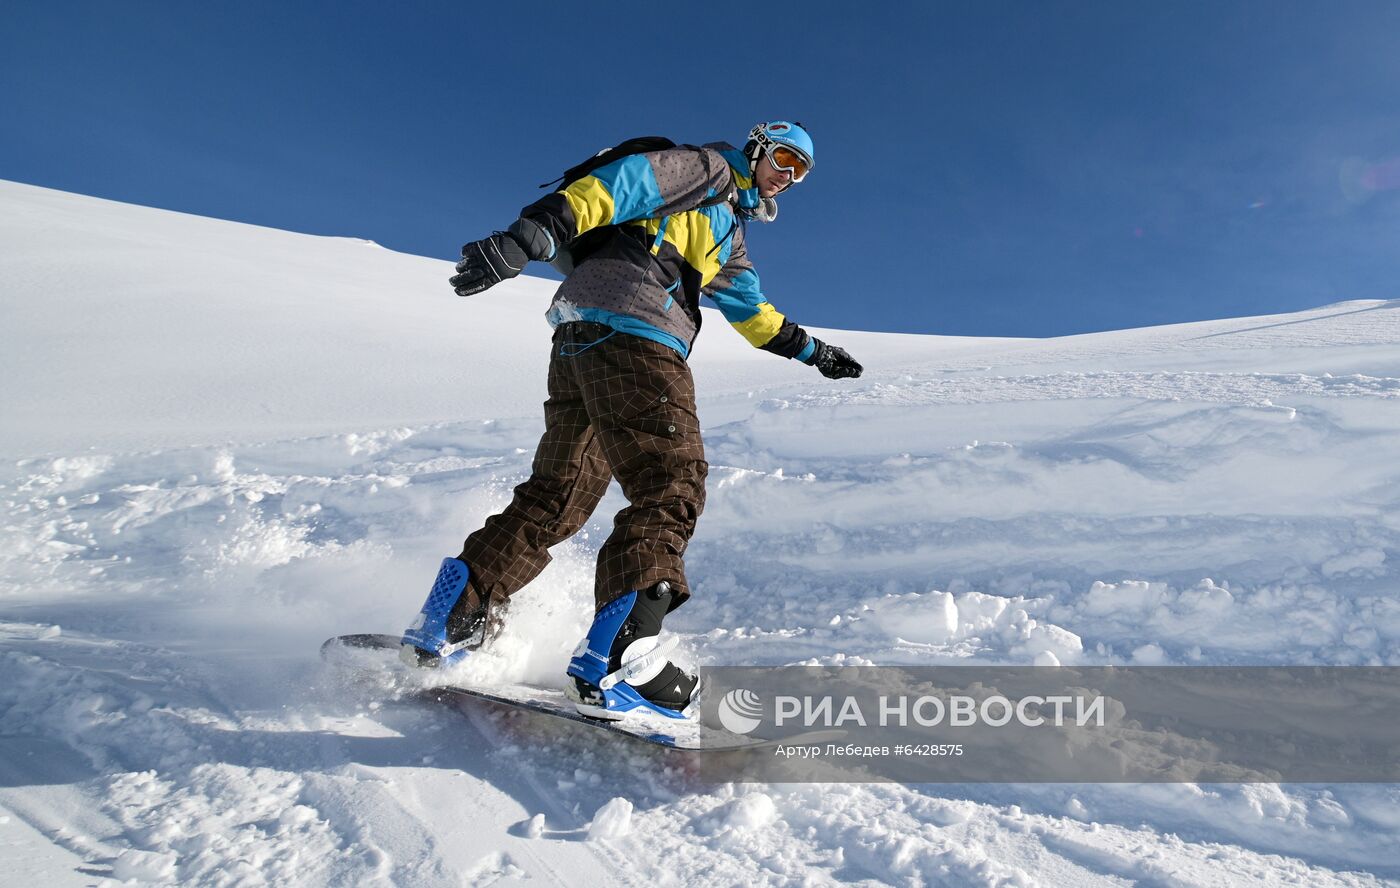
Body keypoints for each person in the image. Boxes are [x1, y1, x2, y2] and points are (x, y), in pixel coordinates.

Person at [400, 121, 863, 720]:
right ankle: (624, 656)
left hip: (580, 338)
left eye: (800, 172)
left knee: (559, 491)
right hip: (638, 337)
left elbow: (751, 311)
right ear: (756, 147)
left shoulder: (728, 229)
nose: (787, 175)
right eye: (782, 157)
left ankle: (452, 617)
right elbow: (616, 188)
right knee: (671, 479)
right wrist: (527, 238)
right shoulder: (707, 170)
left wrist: (814, 352)